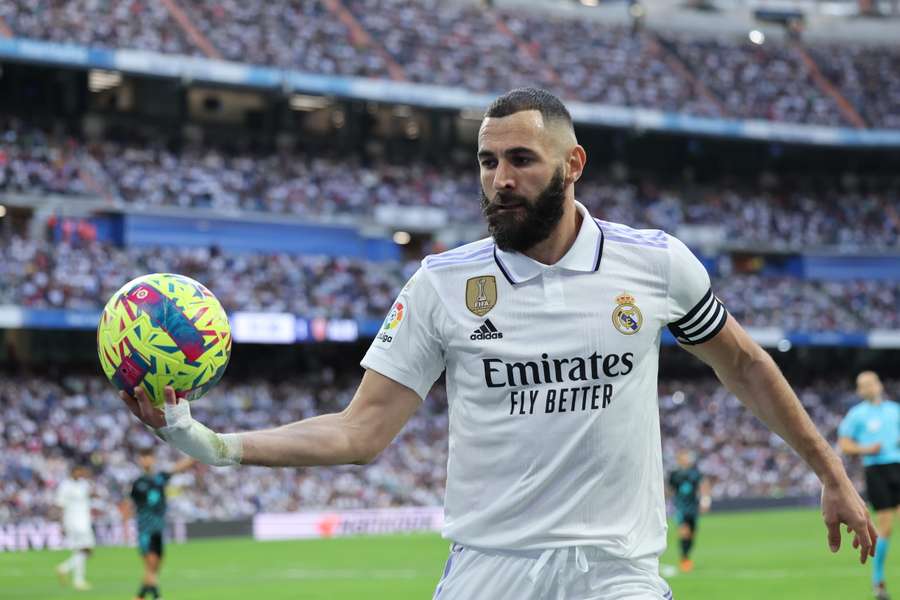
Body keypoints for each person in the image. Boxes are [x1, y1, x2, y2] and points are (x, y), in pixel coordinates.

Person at [120, 88, 875, 599]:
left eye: (520, 160)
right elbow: (360, 430)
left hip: (617, 571)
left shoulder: (654, 263)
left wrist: (830, 473)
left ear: (572, 166)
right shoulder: (442, 284)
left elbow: (744, 364)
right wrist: (208, 441)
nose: (500, 180)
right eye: (488, 161)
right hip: (491, 571)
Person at [838, 371, 899, 600]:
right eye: (863, 385)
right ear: (859, 390)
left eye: (871, 383)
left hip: (898, 466)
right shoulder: (857, 415)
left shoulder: (894, 410)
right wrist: (866, 449)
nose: (868, 388)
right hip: (876, 470)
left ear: (879, 384)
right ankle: (879, 581)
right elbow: (844, 444)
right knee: (886, 526)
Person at [125, 447, 194, 600]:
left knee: (155, 568)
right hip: (145, 531)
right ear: (140, 461)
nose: (146, 460)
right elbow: (129, 506)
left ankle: (139, 597)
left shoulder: (159, 478)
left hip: (159, 529)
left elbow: (178, 468)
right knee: (150, 567)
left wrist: (196, 456)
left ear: (153, 459)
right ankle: (156, 597)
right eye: (143, 457)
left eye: (148, 457)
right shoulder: (138, 483)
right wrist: (126, 527)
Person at [668, 449, 711, 573]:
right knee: (684, 532)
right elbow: (670, 490)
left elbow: (704, 485)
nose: (687, 459)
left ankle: (686, 556)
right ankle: (685, 559)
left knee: (692, 534)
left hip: (692, 508)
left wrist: (705, 501)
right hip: (680, 508)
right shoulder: (675, 474)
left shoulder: (694, 473)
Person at [54, 463, 95, 591]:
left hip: (84, 520)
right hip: (73, 522)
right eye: (78, 471)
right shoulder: (65, 485)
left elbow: (90, 497)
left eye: (81, 471)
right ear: (72, 472)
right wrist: (61, 524)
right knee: (87, 550)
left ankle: (78, 581)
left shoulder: (84, 484)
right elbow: (60, 505)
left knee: (79, 550)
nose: (80, 474)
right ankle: (65, 568)